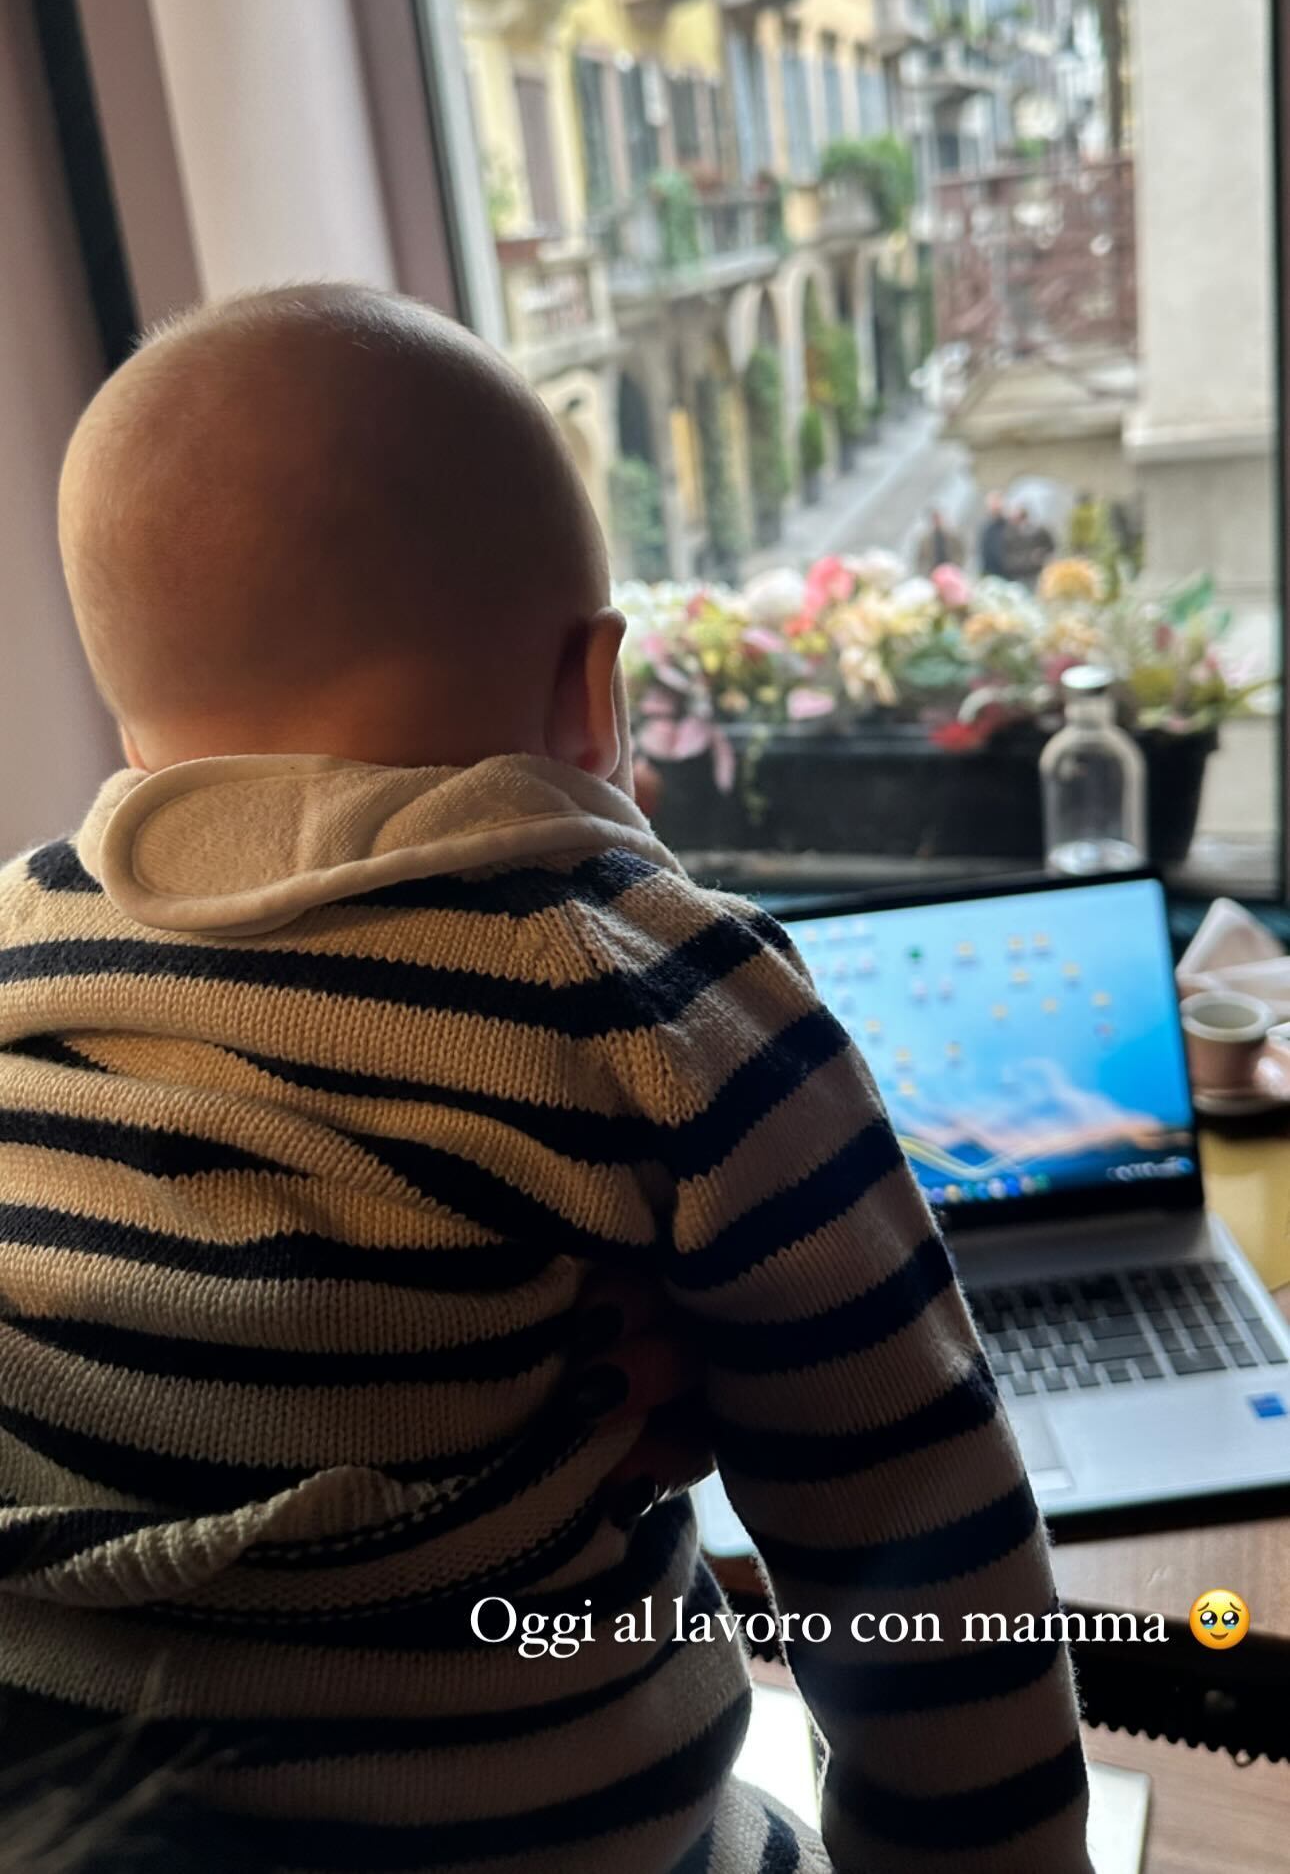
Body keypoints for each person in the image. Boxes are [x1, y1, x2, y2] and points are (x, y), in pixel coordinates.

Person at [0, 284, 1092, 1874]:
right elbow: (915, 1532)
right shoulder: (654, 990)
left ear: (133, 720)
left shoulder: (21, 949)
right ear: (599, 689)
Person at [915, 505, 962, 575]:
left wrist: (956, 566)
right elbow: (920, 560)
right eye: (934, 519)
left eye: (938, 518)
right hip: (932, 573)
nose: (937, 521)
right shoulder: (925, 540)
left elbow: (960, 553)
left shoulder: (953, 537)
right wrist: (925, 572)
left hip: (951, 572)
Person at [979, 490, 1011, 578]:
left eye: (997, 503)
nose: (994, 507)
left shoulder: (1010, 526)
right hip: (992, 574)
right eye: (992, 504)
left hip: (1009, 575)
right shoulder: (986, 529)